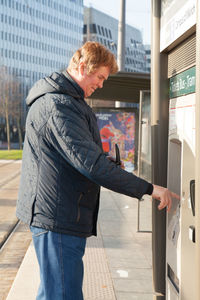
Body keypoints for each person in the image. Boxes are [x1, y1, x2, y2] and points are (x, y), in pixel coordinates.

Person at [16, 41, 179, 300]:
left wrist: (101, 158)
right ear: (82, 67)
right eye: (100, 77)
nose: (101, 84)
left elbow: (76, 155)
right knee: (63, 294)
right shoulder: (59, 106)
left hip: (61, 214)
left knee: (53, 292)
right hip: (58, 218)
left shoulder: (70, 102)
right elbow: (90, 165)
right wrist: (149, 188)